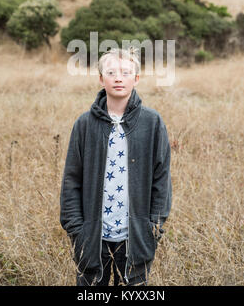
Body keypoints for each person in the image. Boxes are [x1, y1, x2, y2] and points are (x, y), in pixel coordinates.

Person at [60, 47, 172, 286]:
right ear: (101, 78)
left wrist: (153, 229)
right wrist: (77, 232)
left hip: (136, 239)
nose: (118, 77)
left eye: (126, 72)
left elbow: (161, 181)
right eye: (111, 72)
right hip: (92, 239)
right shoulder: (84, 124)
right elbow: (71, 180)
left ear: (136, 78)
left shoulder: (152, 122)